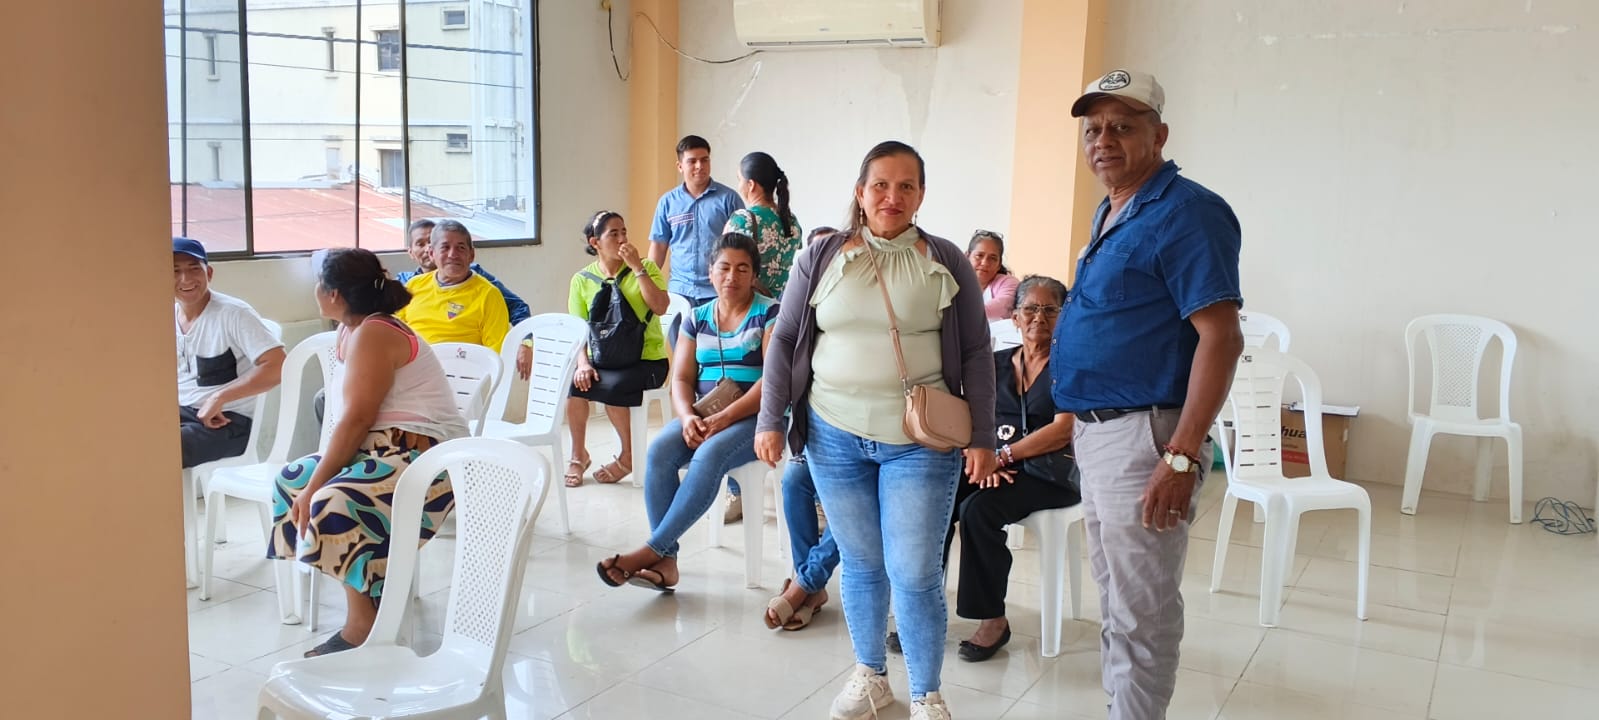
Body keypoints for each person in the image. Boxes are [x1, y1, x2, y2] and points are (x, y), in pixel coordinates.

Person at [756, 141, 996, 720]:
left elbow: (976, 350)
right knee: (863, 565)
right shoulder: (821, 256)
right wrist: (770, 416)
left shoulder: (944, 260)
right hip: (832, 436)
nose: (893, 196)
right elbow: (784, 337)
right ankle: (871, 675)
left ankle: (927, 695)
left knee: (913, 573)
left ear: (921, 195)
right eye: (880, 185)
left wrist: (984, 437)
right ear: (860, 192)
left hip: (919, 443)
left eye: (906, 186)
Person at [1052, 69, 1243, 719]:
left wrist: (1181, 457)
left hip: (1146, 437)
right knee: (1117, 600)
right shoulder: (1113, 208)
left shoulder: (1187, 213)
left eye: (1122, 127)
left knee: (1141, 614)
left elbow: (1221, 338)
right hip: (1101, 433)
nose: (1102, 140)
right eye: (1093, 129)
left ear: (1158, 135)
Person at [268, 248, 470, 658]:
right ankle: (374, 595)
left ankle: (361, 625)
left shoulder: (375, 331)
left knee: (332, 500)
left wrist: (319, 484)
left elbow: (357, 418)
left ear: (333, 293)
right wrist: (312, 479)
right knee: (291, 481)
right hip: (379, 450)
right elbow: (353, 423)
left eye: (319, 283)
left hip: (426, 458)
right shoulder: (350, 330)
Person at [596, 233, 778, 591]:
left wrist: (724, 418)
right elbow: (680, 378)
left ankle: (652, 550)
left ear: (754, 275)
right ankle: (667, 562)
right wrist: (687, 416)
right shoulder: (697, 317)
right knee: (660, 451)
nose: (732, 276)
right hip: (704, 412)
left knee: (709, 455)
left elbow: (772, 381)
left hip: (756, 417)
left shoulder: (770, 313)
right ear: (710, 272)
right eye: (724, 267)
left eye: (742, 269)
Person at [949, 275, 1081, 663]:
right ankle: (923, 607)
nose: (1039, 317)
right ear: (1015, 317)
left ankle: (993, 619)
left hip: (1049, 473)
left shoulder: (1071, 367)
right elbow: (967, 415)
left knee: (978, 510)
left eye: (1050, 309)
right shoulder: (994, 364)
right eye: (1030, 309)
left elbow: (1063, 429)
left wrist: (1002, 457)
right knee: (939, 499)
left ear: (1064, 317)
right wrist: (982, 456)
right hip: (994, 461)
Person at [566, 211, 670, 487]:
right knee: (574, 384)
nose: (623, 239)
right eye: (614, 234)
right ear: (595, 242)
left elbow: (661, 307)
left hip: (647, 361)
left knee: (611, 386)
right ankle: (578, 455)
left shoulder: (646, 267)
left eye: (624, 232)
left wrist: (637, 268)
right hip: (604, 359)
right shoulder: (582, 279)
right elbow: (578, 330)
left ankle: (629, 455)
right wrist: (583, 364)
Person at [173, 237, 286, 468]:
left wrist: (220, 397)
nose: (186, 279)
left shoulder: (234, 313)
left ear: (209, 273)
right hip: (182, 412)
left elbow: (278, 366)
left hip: (229, 421)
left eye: (194, 269)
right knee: (126, 433)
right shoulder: (165, 315)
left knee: (163, 448)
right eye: (175, 271)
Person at [648, 134, 745, 307]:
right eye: (692, 161)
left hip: (719, 292)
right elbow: (658, 247)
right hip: (679, 292)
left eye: (704, 160)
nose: (699, 166)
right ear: (680, 166)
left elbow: (742, 247)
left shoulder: (729, 199)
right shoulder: (667, 202)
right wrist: (649, 286)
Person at [397, 219, 511, 353]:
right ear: (432, 253)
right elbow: (394, 332)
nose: (453, 255)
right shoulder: (413, 285)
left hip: (465, 365)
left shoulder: (489, 295)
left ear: (471, 255)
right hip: (416, 363)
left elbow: (496, 354)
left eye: (460, 248)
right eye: (445, 247)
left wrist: (527, 342)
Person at [397, 219, 531, 325]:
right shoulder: (407, 284)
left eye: (431, 241)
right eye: (420, 244)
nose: (427, 248)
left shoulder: (476, 278)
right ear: (411, 252)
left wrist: (526, 341)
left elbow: (517, 307)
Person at [724, 151, 802, 299]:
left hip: (750, 305)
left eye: (740, 180)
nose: (739, 186)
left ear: (751, 185)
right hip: (781, 305)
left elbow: (724, 262)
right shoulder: (791, 221)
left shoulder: (743, 220)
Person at [967, 230, 1019, 320]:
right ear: (967, 257)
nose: (985, 263)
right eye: (979, 255)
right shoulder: (953, 282)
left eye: (992, 258)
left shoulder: (1009, 283)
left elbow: (1003, 306)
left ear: (999, 264)